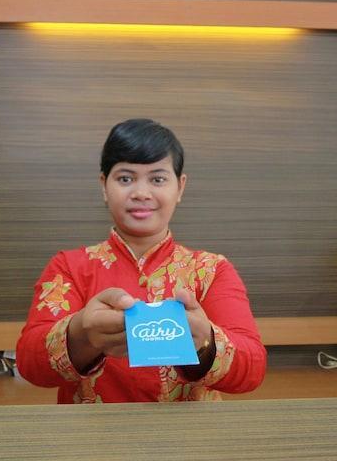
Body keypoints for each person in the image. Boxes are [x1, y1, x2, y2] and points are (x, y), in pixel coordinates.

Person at [16, 118, 267, 403]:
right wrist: (81, 332)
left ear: (180, 187)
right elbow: (29, 363)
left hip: (190, 430)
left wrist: (205, 343)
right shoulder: (68, 267)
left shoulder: (211, 270)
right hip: (92, 430)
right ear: (104, 186)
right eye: (125, 179)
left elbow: (254, 368)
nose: (141, 193)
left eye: (157, 179)